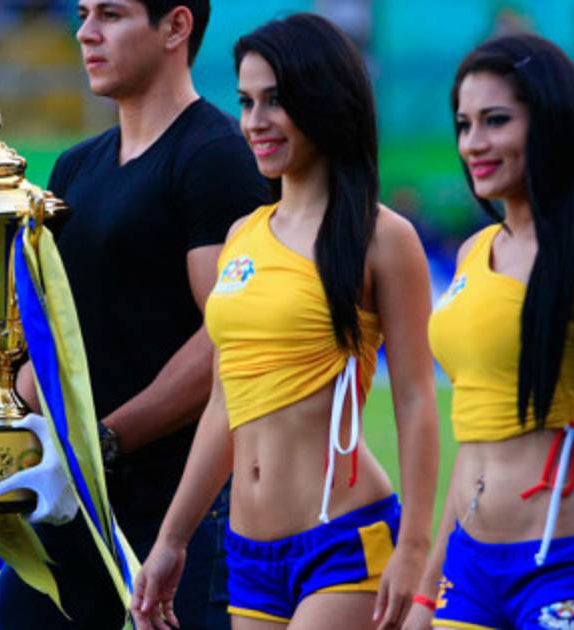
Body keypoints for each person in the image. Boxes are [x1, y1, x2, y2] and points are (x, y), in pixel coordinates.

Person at [132, 14, 439, 630]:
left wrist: (414, 547)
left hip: (343, 542)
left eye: (275, 100)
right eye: (246, 102)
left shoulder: (383, 237)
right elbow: (225, 401)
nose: (255, 122)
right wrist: (172, 539)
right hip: (249, 556)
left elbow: (415, 399)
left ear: (324, 100)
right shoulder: (242, 235)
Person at [0, 1, 272, 628]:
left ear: (176, 26)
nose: (85, 32)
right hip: (75, 498)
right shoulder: (74, 167)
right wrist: (8, 425)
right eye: (83, 13)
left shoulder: (216, 156)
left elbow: (226, 338)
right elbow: (53, 335)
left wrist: (107, 440)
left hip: (184, 502)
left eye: (111, 15)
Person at [402, 34, 574, 630]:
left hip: (563, 563)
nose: (473, 143)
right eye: (464, 125)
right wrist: (425, 593)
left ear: (550, 122)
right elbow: (474, 440)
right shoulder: (472, 252)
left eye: (495, 121)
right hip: (467, 568)